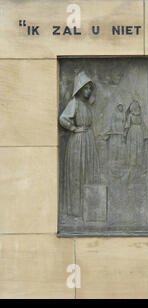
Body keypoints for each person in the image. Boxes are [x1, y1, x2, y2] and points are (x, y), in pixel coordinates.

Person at [59, 71, 100, 219]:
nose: (88, 91)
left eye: (90, 88)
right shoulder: (74, 103)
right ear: (80, 88)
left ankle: (87, 208)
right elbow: (63, 118)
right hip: (78, 143)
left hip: (88, 142)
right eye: (86, 88)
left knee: (88, 174)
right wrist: (74, 129)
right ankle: (76, 210)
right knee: (77, 175)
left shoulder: (87, 106)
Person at [123, 100, 145, 167]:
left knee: (135, 146)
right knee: (137, 145)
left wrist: (125, 133)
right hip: (138, 131)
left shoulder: (131, 115)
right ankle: (137, 162)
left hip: (133, 131)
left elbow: (127, 125)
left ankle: (134, 162)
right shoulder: (138, 116)